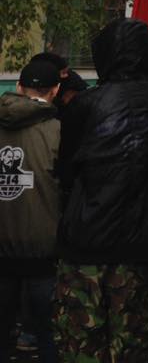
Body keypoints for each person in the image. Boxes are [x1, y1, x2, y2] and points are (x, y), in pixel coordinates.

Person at [55, 18, 148, 362]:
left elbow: (65, 172)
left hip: (86, 245)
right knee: (130, 342)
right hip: (141, 245)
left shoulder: (88, 104)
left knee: (83, 344)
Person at [0, 60, 62, 363]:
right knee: (48, 333)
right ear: (56, 90)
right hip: (43, 248)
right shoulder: (58, 131)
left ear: (18, 87)